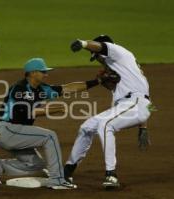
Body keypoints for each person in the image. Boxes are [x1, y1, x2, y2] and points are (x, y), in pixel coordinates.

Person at [0, 58, 100, 189]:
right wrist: (55, 109)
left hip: (17, 133)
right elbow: (26, 112)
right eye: (43, 72)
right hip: (6, 131)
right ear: (33, 73)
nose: (46, 74)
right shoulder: (19, 89)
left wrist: (97, 81)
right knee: (49, 136)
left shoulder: (41, 89)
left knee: (37, 165)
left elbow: (67, 88)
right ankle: (57, 180)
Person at [64, 35, 153, 189]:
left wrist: (83, 44)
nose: (98, 59)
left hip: (136, 104)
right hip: (129, 105)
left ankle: (111, 175)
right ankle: (66, 172)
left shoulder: (119, 52)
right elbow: (142, 96)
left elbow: (142, 99)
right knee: (87, 127)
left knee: (106, 125)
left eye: (97, 56)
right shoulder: (124, 68)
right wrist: (106, 82)